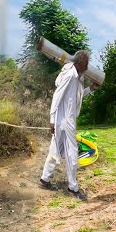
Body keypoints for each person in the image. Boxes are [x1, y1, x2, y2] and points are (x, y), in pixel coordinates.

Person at [39, 50, 98, 200]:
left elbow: (76, 97)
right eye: (86, 64)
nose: (87, 67)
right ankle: (73, 187)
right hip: (64, 120)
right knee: (72, 152)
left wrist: (90, 89)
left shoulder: (77, 77)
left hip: (65, 119)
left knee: (55, 150)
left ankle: (45, 179)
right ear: (80, 63)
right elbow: (57, 96)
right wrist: (52, 119)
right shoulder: (70, 75)